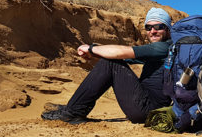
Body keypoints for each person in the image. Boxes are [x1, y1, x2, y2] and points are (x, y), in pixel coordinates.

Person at [41, 7, 173, 124]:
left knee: (111, 62)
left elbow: (120, 53)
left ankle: (73, 112)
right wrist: (94, 53)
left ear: (167, 29)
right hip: (147, 107)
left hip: (149, 110)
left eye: (158, 27)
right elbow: (126, 58)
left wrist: (91, 49)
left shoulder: (164, 48)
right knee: (111, 61)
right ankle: (72, 108)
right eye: (148, 28)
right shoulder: (162, 51)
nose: (153, 31)